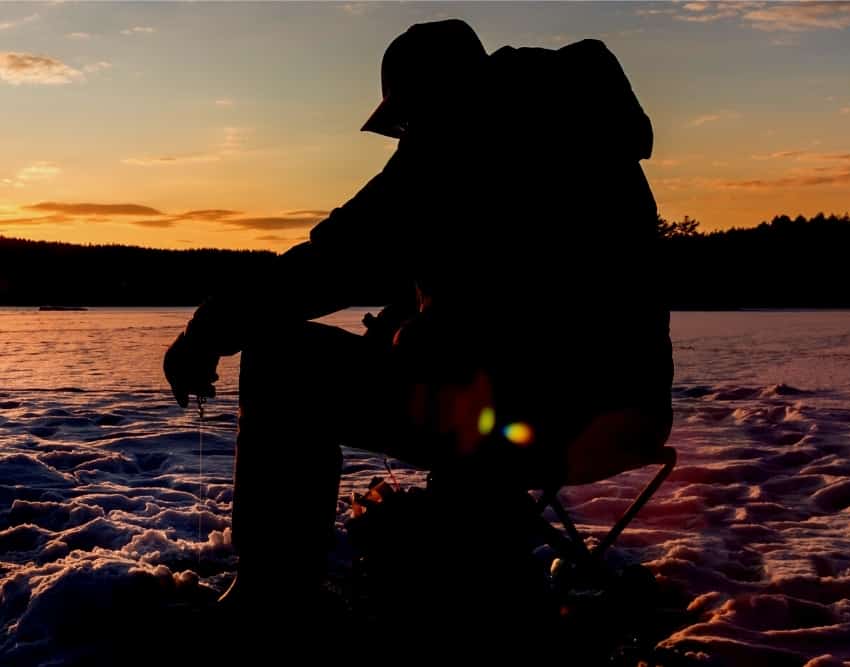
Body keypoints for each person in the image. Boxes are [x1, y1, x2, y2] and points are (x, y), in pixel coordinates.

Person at [163, 18, 672, 631]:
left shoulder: (454, 143)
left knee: (283, 358)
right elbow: (525, 291)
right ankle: (481, 559)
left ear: (430, 98)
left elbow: (333, 263)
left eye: (405, 122)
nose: (405, 136)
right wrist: (415, 325)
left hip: (525, 416)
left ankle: (275, 602)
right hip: (626, 412)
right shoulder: (589, 137)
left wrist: (205, 335)